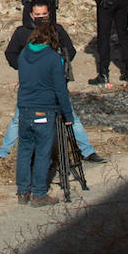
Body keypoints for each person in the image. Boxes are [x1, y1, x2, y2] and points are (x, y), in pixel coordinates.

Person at [0, 2, 103, 164]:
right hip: (30, 86)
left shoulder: (57, 30)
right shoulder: (22, 33)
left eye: (44, 15)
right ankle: (3, 153)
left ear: (49, 14)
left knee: (70, 117)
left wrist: (57, 66)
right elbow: (10, 53)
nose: (41, 18)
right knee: (18, 119)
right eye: (38, 15)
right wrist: (25, 68)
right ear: (31, 15)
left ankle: (87, 151)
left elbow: (70, 51)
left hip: (53, 84)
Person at [14, 17, 76, 206]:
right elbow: (60, 89)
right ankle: (39, 193)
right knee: (42, 152)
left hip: (24, 108)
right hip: (44, 109)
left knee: (24, 151)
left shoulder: (24, 54)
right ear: (51, 38)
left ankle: (22, 192)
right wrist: (68, 114)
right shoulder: (52, 58)